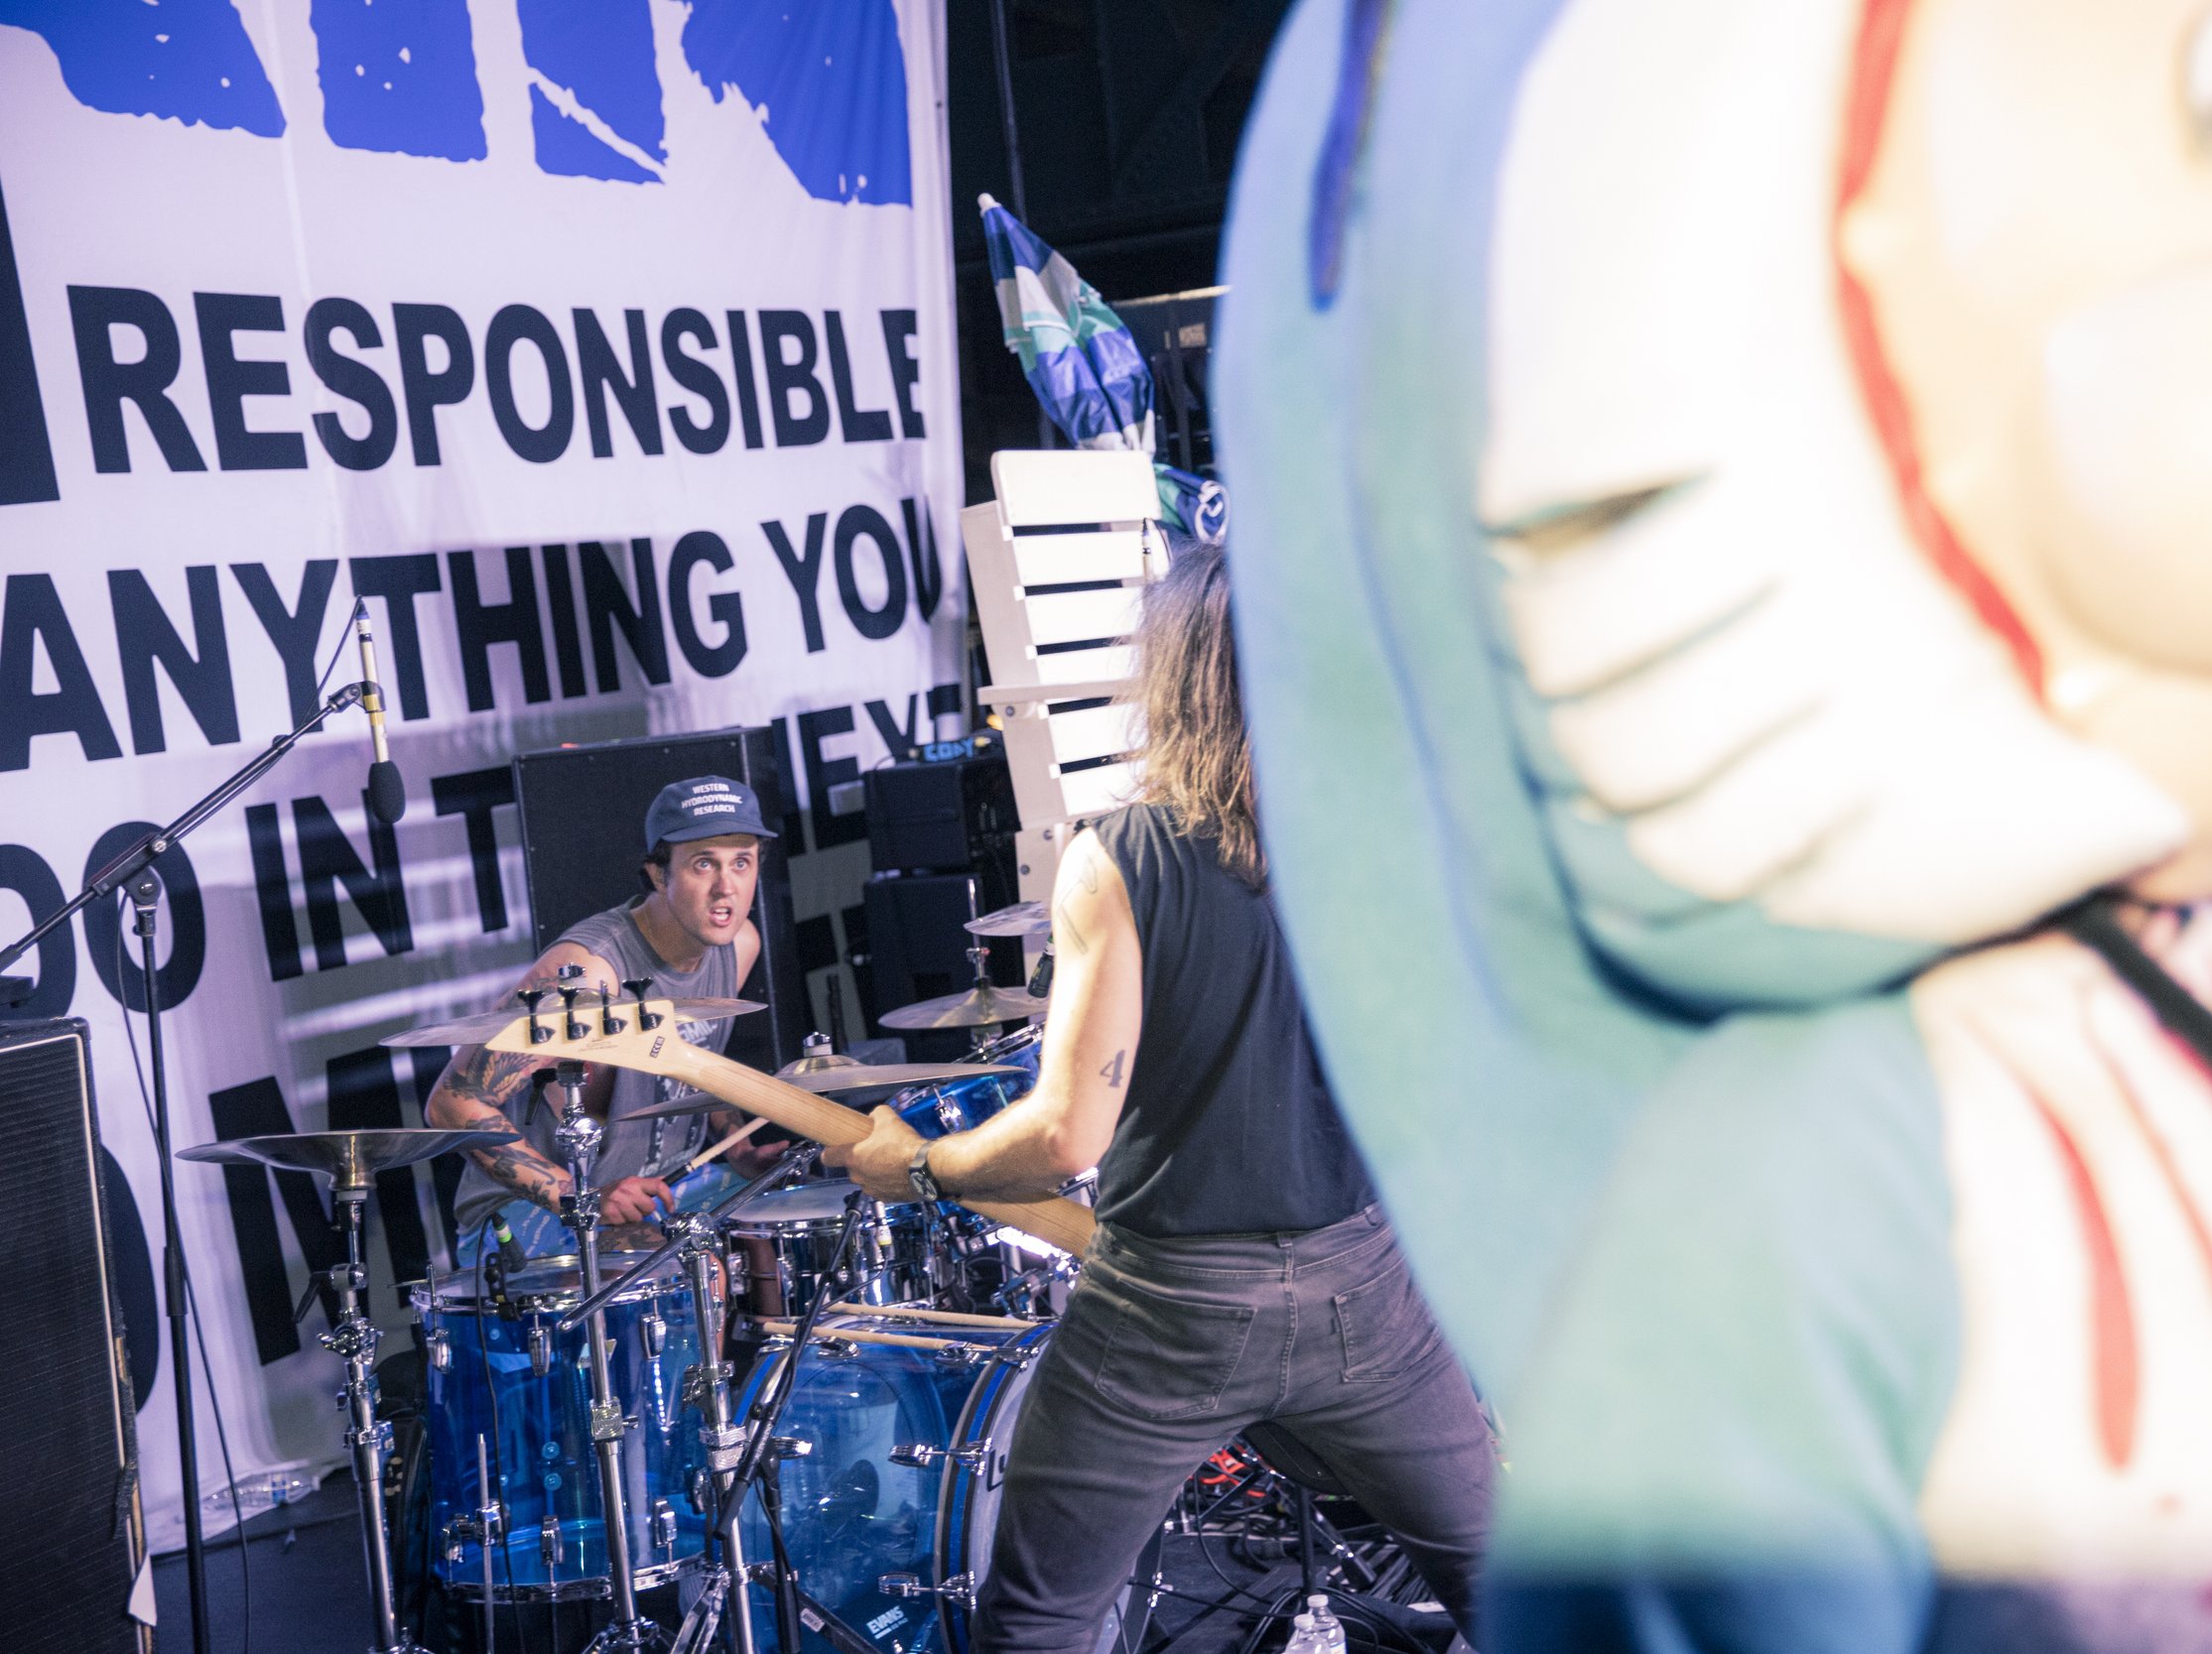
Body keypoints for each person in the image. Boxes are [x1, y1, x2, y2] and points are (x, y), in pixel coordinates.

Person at [848, 545, 1498, 1652]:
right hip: (1363, 1288)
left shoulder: (1119, 859)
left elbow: (1067, 1137)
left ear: (1177, 681)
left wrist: (914, 1164)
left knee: (1041, 1621)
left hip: (1169, 1306)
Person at [427, 775, 788, 1260]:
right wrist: (582, 1198)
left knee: (804, 1213)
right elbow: (452, 1105)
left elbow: (694, 1065)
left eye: (741, 862)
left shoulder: (739, 944)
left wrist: (737, 1149)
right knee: (689, 1268)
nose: (726, 888)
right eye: (703, 863)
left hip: (665, 1186)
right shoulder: (590, 973)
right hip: (534, 1211)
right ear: (659, 875)